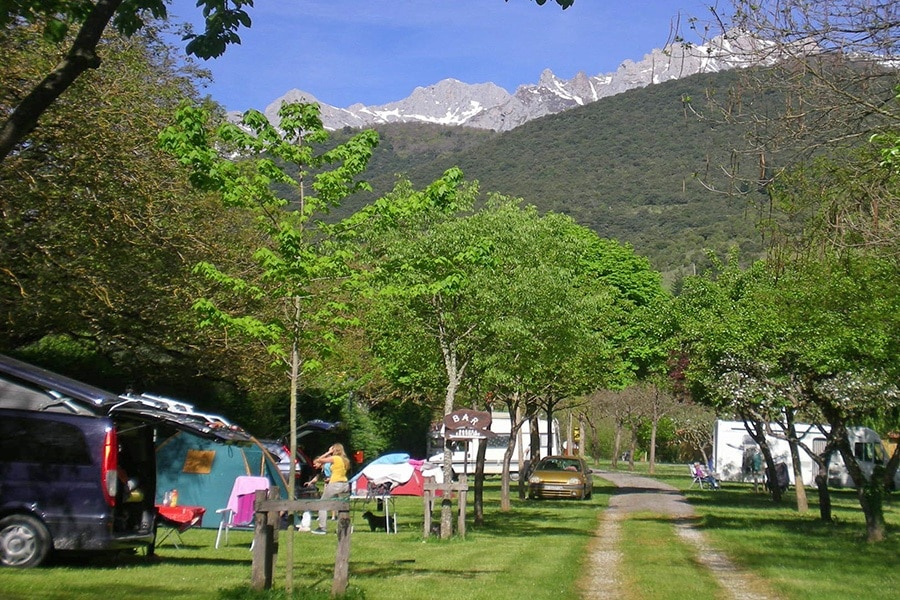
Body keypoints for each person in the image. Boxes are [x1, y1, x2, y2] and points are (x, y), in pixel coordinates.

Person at [310, 443, 350, 534]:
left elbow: (319, 460)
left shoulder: (335, 458)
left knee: (322, 504)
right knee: (342, 506)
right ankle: (343, 527)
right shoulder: (345, 460)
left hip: (335, 484)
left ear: (334, 450)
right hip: (345, 484)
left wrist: (328, 452)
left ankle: (322, 528)